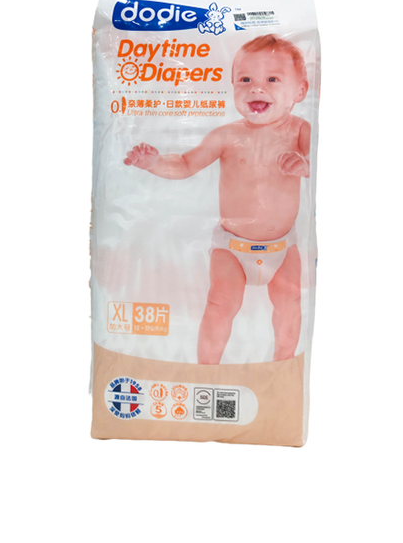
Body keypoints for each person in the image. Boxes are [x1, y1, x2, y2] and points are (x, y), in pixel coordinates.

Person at [124, 35, 311, 364]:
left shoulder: (300, 131)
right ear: (233, 86)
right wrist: (154, 163)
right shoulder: (227, 136)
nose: (256, 88)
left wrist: (305, 164)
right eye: (245, 79)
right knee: (220, 305)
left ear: (300, 91)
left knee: (290, 303)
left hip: (283, 248)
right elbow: (185, 164)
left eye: (272, 79)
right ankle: (207, 369)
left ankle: (283, 365)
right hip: (232, 249)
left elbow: (323, 164)